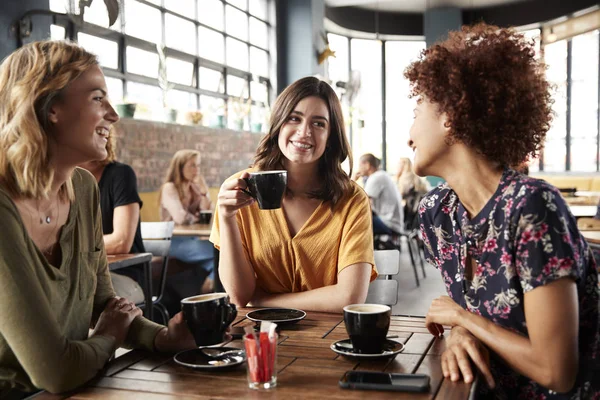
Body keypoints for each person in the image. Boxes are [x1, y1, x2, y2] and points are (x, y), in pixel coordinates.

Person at [405, 23, 599, 398]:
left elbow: (557, 372)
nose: (408, 135)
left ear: (449, 116)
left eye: (416, 112)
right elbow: (475, 314)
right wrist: (461, 329)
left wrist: (461, 319)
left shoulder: (532, 208)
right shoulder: (437, 214)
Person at [0, 40, 196, 398]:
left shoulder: (82, 187)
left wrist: (164, 337)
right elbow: (55, 371)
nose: (114, 115)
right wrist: (108, 338)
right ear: (50, 107)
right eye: (97, 98)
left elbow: (105, 304)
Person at [210, 76, 377, 313]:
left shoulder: (351, 199)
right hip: (260, 335)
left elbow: (349, 298)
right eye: (294, 118)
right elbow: (239, 295)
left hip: (328, 338)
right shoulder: (239, 188)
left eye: (319, 123)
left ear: (331, 137)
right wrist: (227, 218)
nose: (304, 132)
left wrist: (263, 301)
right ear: (278, 124)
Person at [79, 134, 146, 304]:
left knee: (80, 298)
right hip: (80, 272)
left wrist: (66, 249)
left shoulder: (120, 174)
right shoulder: (59, 180)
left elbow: (121, 242)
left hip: (123, 274)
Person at [159, 149, 214, 293]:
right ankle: (206, 291)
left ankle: (208, 293)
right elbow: (180, 217)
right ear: (180, 167)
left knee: (216, 259)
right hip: (171, 240)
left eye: (198, 165)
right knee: (218, 250)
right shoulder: (169, 188)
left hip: (191, 239)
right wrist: (196, 218)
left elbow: (208, 211)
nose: (197, 170)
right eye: (192, 165)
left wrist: (203, 191)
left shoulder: (194, 188)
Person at [357, 153, 403, 236]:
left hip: (389, 224)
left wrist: (352, 180)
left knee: (356, 222)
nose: (358, 169)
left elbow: (361, 203)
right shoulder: (382, 175)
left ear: (367, 165)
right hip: (394, 223)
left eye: (360, 165)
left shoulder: (375, 177)